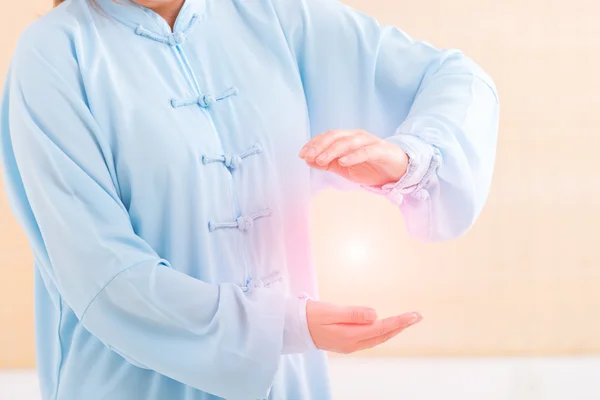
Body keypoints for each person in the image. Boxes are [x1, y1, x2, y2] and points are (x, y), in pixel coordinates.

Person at [0, 0, 499, 398]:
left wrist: (409, 159)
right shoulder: (55, 55)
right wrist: (279, 325)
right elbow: (101, 274)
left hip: (286, 383)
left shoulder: (274, 15)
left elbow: (458, 79)